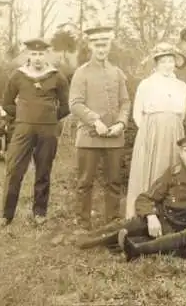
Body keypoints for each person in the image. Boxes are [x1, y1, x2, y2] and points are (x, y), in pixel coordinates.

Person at [76, 136, 186, 261]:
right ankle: (86, 240)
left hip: (185, 228)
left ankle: (131, 248)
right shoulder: (173, 172)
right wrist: (151, 216)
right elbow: (145, 198)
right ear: (180, 153)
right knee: (127, 225)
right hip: (162, 220)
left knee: (170, 241)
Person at [0, 38, 70, 227]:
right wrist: (22, 117)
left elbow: (66, 106)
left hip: (48, 131)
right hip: (23, 130)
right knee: (14, 170)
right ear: (28, 54)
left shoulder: (57, 76)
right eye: (34, 54)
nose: (37, 58)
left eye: (41, 54)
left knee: (43, 170)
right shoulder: (18, 76)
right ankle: (6, 215)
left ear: (47, 55)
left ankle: (39, 212)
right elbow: (6, 103)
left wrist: (49, 118)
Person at [69, 25, 131, 231]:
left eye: (105, 44)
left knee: (114, 181)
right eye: (97, 44)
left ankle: (112, 224)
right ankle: (83, 225)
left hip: (114, 136)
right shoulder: (81, 73)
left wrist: (121, 123)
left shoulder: (117, 72)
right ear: (90, 46)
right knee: (85, 182)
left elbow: (125, 101)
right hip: (89, 135)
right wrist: (95, 121)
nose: (101, 49)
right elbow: (75, 103)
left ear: (109, 46)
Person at [125, 43, 186, 219]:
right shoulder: (146, 84)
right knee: (150, 169)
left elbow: (181, 113)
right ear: (156, 64)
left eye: (171, 61)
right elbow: (138, 113)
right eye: (163, 61)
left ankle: (169, 215)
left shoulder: (181, 86)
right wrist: (148, 132)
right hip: (151, 131)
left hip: (174, 130)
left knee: (171, 168)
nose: (168, 65)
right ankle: (142, 215)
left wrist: (171, 126)